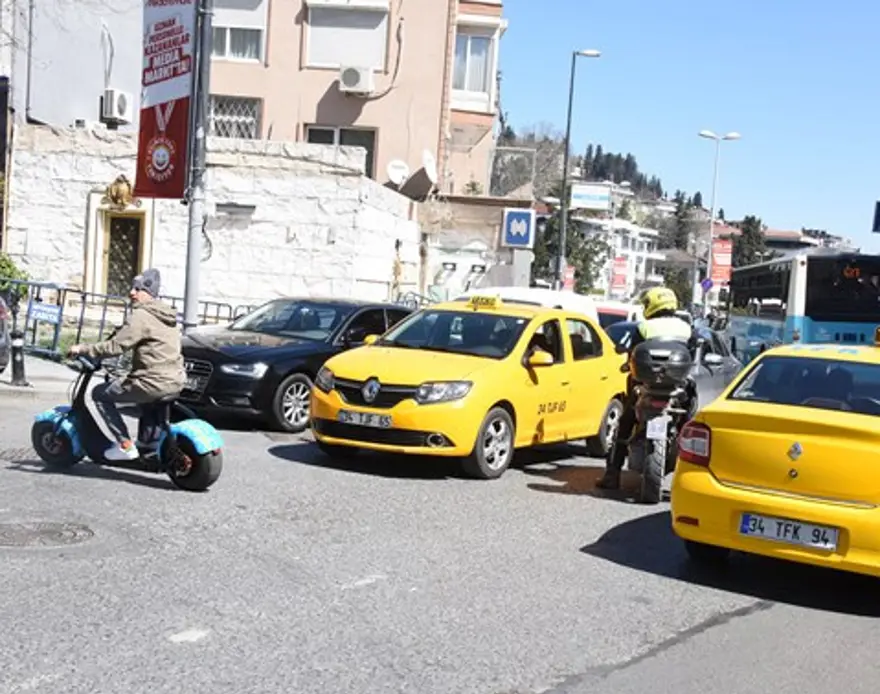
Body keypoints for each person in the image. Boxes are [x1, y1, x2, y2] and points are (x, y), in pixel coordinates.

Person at [68, 269, 185, 461]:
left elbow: (116, 346)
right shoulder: (166, 315)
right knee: (133, 388)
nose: (131, 292)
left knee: (99, 393)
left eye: (137, 289)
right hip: (175, 379)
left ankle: (125, 445)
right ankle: (149, 441)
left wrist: (83, 348)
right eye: (132, 288)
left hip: (154, 382)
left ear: (148, 293)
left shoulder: (141, 315)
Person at [596, 286, 695, 490]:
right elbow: (692, 354)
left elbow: (633, 352)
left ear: (652, 305)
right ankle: (686, 435)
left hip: (646, 386)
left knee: (625, 423)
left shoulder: (644, 328)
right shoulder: (686, 328)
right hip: (676, 387)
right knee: (691, 419)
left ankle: (612, 474)